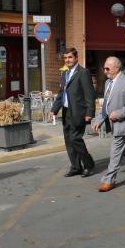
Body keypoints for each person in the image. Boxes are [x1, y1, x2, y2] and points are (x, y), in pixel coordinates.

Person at [92, 57, 125, 192]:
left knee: (115, 153)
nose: (105, 71)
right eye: (104, 68)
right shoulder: (108, 82)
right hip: (114, 124)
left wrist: (118, 113)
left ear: (117, 68)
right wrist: (98, 120)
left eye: (108, 68)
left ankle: (109, 180)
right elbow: (106, 106)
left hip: (123, 124)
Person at [49, 48, 96, 178]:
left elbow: (90, 94)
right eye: (65, 58)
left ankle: (89, 164)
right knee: (69, 140)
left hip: (78, 112)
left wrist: (89, 113)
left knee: (75, 139)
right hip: (66, 112)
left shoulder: (83, 72)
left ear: (76, 58)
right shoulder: (65, 73)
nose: (67, 60)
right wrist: (54, 110)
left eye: (70, 57)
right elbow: (61, 93)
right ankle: (76, 167)